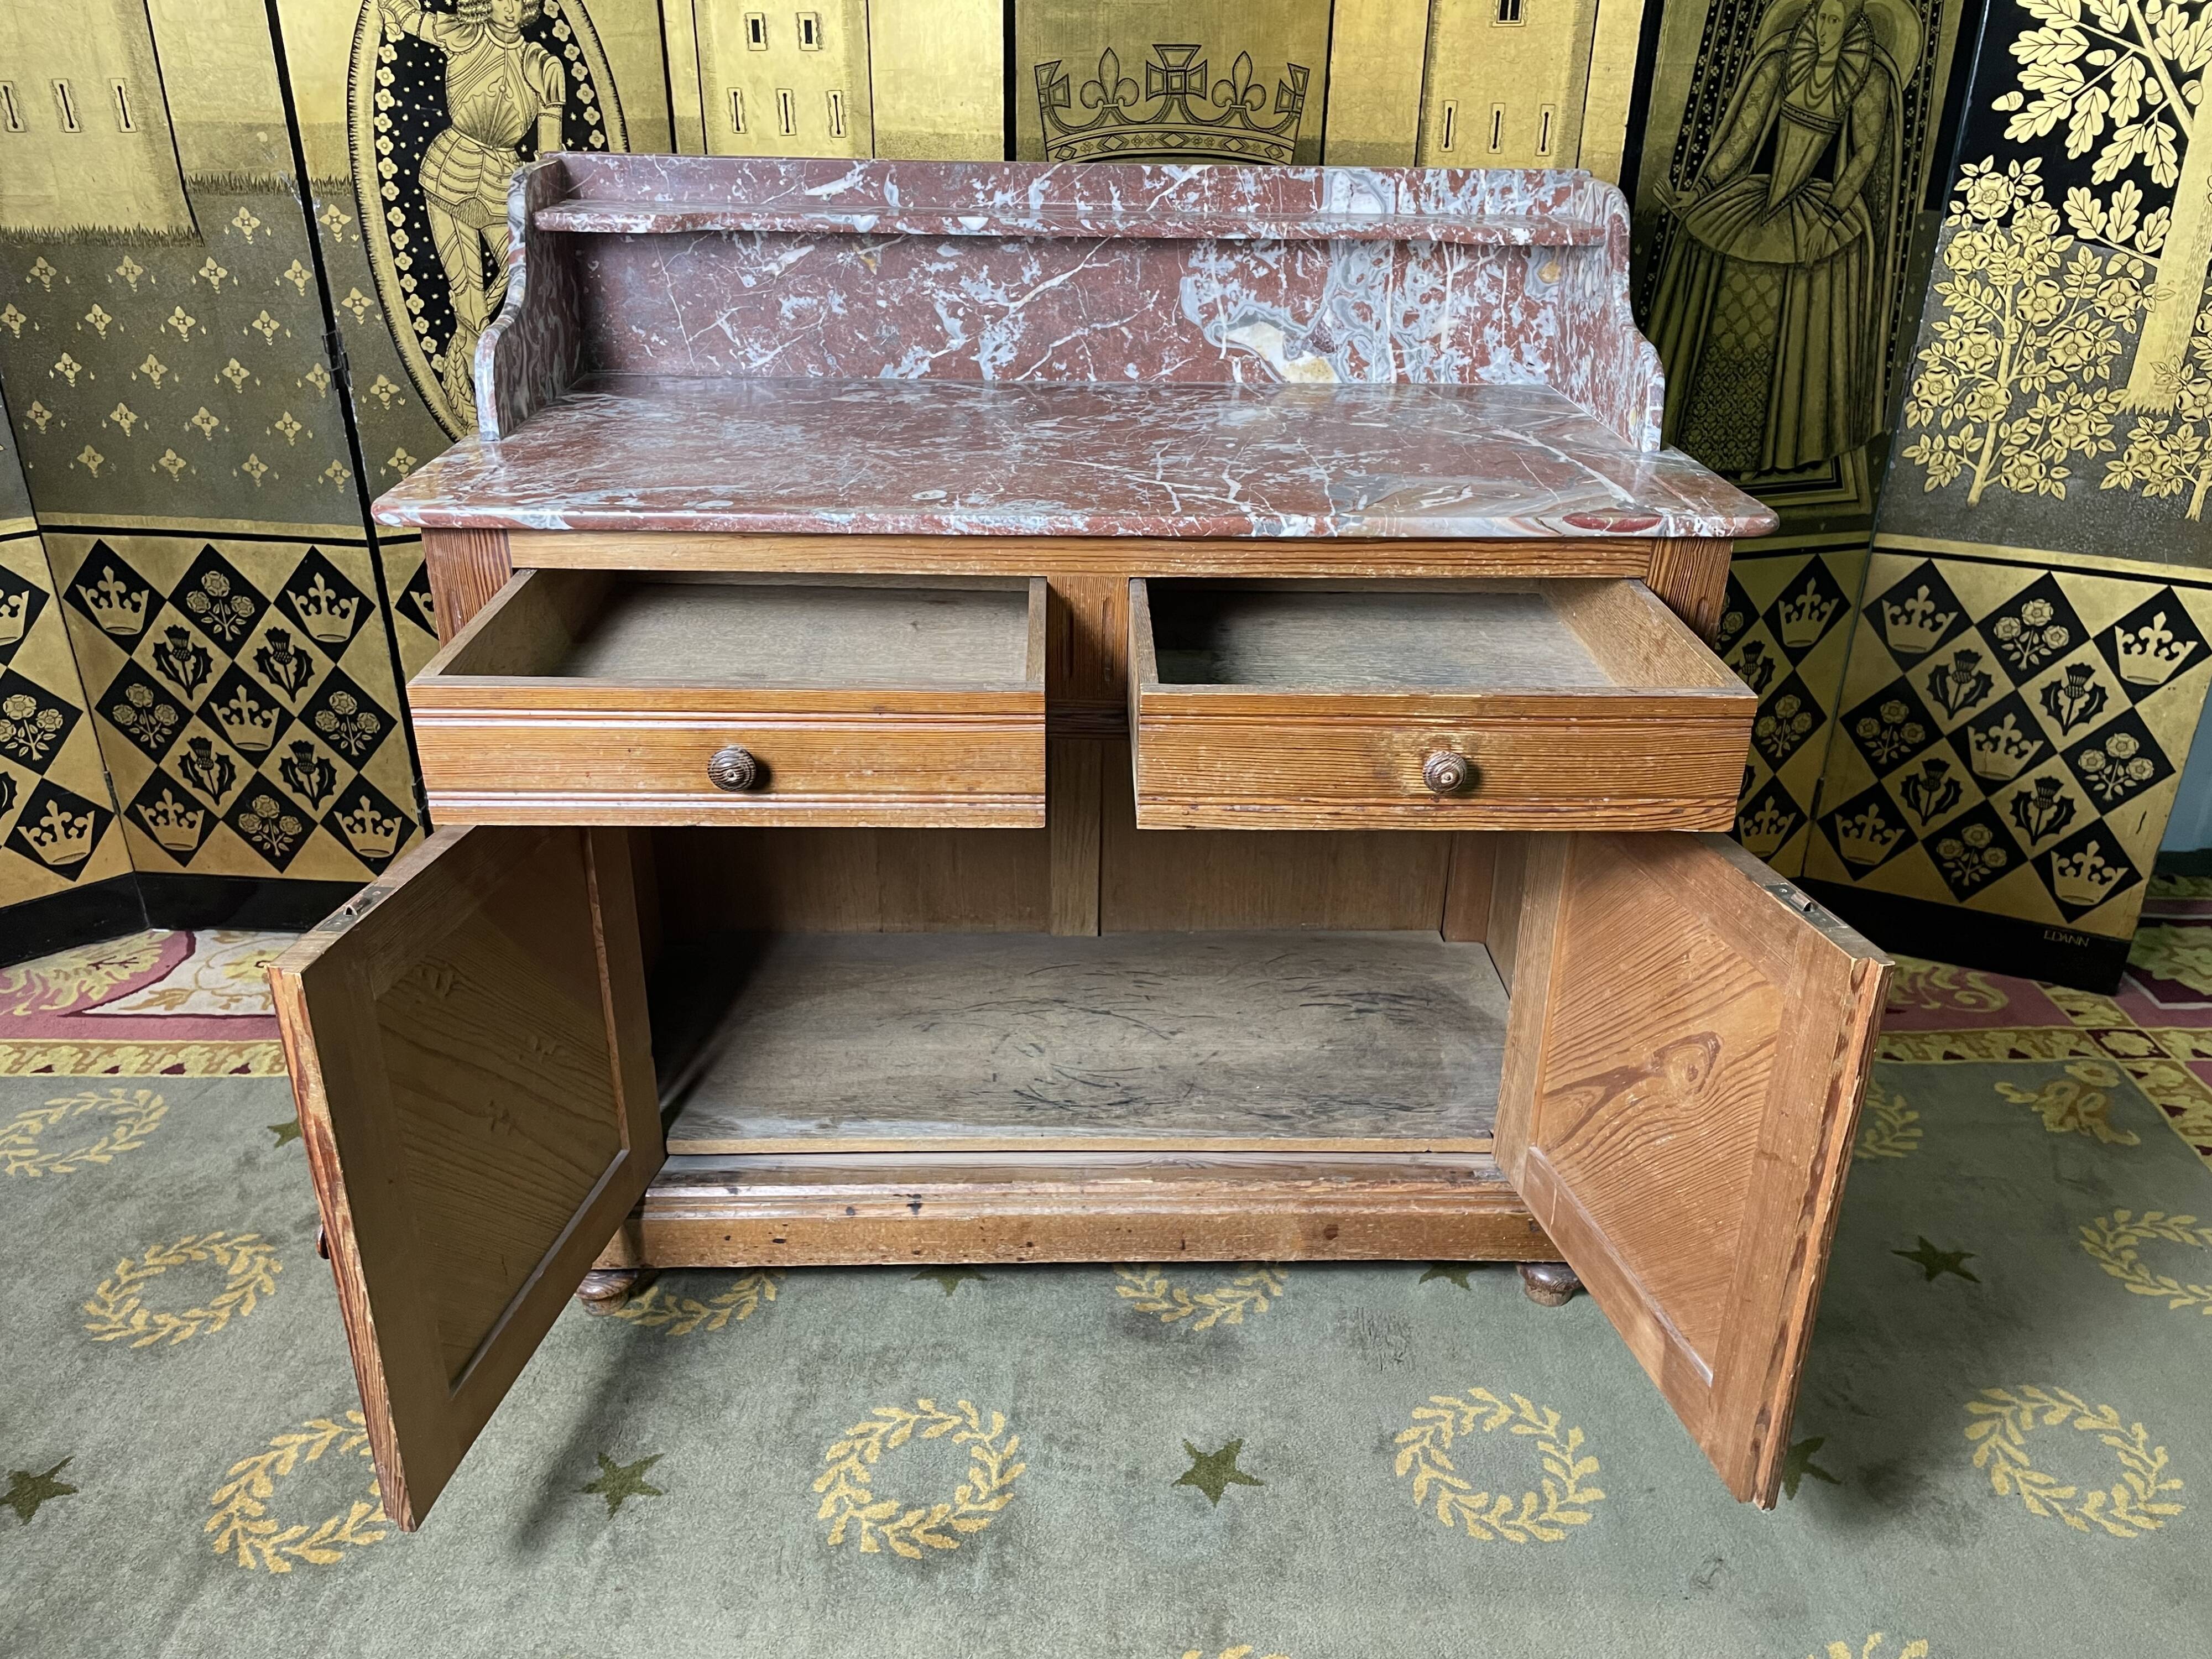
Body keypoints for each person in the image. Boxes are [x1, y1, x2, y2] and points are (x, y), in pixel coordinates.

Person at [1644, 0, 1913, 476]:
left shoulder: (1867, 77)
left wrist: (1829, 219)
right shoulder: (1779, 62)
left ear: (1853, 25)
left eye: (1835, 20)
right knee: (1712, 250)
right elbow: (1740, 140)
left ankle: (1777, 449)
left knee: (1803, 281)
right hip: (1759, 198)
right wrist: (1701, 191)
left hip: (1823, 204)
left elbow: (1865, 155)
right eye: (1819, 17)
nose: (1824, 29)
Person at [377, 0, 565, 416]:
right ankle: (480, 406)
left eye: (519, 0)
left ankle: (515, 386)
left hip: (503, 181)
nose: (511, 9)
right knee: (469, 299)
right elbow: (409, 18)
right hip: (449, 174)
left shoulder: (543, 65)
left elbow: (548, 156)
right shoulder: (462, 35)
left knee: (532, 283)